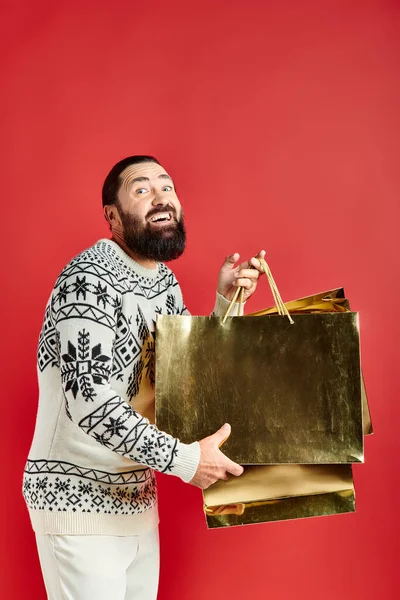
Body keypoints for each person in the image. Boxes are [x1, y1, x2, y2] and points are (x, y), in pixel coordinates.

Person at [23, 155, 265, 600]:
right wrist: (187, 461)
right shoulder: (88, 278)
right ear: (112, 217)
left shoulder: (163, 280)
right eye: (141, 189)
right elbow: (89, 401)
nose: (160, 198)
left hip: (135, 499)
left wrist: (225, 304)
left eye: (167, 187)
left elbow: (181, 377)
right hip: (75, 498)